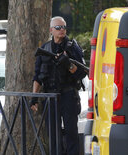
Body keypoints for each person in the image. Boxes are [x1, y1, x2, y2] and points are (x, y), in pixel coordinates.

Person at [31, 16, 86, 155]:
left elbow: (82, 73)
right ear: (51, 30)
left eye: (63, 27)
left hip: (68, 95)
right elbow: (38, 76)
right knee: (53, 134)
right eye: (58, 27)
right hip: (50, 96)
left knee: (71, 132)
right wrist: (34, 98)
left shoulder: (73, 47)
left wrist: (69, 64)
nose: (62, 30)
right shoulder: (45, 48)